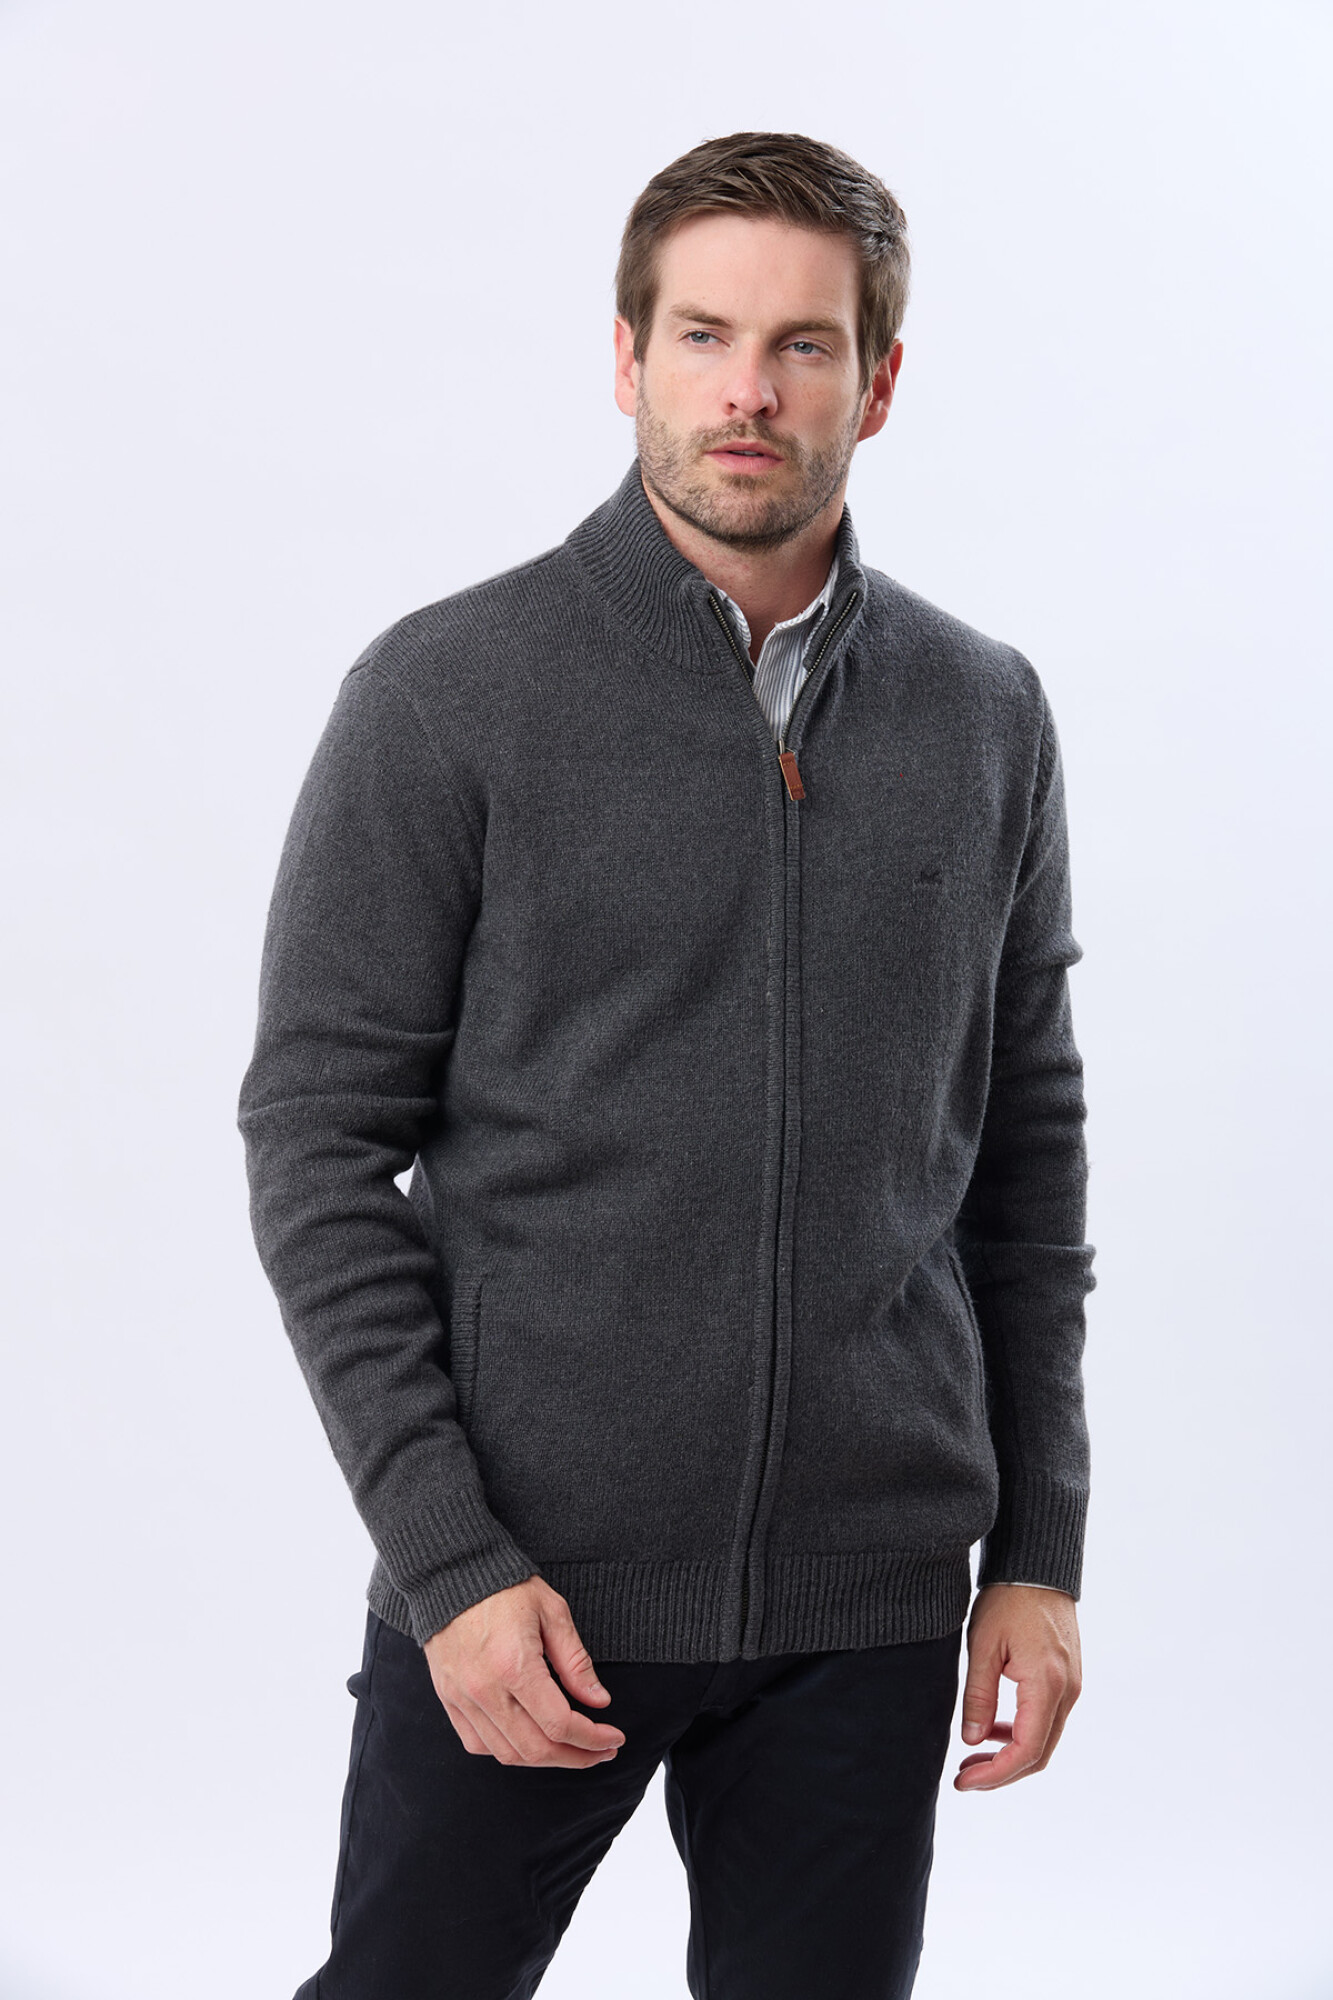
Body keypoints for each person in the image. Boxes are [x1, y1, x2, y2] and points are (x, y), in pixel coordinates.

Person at [237, 129, 1094, 2000]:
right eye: (703, 335)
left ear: (878, 380)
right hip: (527, 1595)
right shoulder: (448, 693)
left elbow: (1022, 1161)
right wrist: (450, 1562)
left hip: (867, 1610)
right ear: (625, 356)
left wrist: (1038, 1549)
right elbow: (313, 1146)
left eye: (802, 345)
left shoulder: (982, 713)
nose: (746, 390)